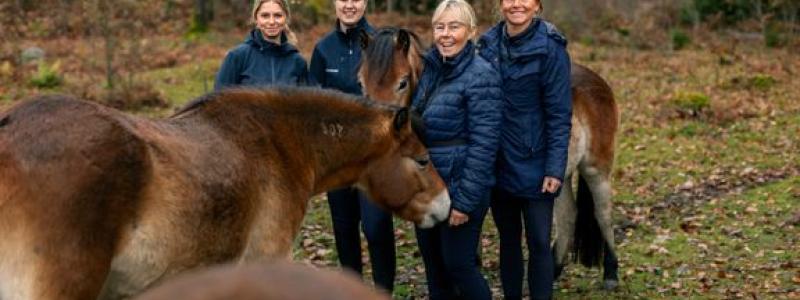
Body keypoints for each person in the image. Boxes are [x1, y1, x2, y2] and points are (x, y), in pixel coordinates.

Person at [477, 0, 573, 299]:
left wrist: (555, 168)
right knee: (508, 240)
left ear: (537, 5)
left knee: (539, 242)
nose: (516, 4)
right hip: (497, 161)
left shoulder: (551, 49)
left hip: (536, 162)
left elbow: (559, 114)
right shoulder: (487, 44)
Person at [410, 1, 503, 299]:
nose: (445, 34)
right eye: (440, 27)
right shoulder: (431, 71)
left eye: (454, 26)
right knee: (435, 270)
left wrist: (463, 202)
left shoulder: (482, 75)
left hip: (460, 188)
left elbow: (484, 145)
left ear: (471, 32)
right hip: (427, 189)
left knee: (459, 266)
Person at [308, 0, 396, 293]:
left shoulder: (383, 45)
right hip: (338, 161)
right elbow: (314, 106)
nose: (350, 5)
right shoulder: (322, 50)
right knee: (345, 233)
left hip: (374, 159)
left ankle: (383, 292)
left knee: (376, 229)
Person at [214, 0, 308, 90]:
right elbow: (218, 101)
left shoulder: (297, 62)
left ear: (286, 18)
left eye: (278, 15)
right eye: (265, 16)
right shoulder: (237, 57)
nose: (271, 22)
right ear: (256, 18)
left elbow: (306, 103)